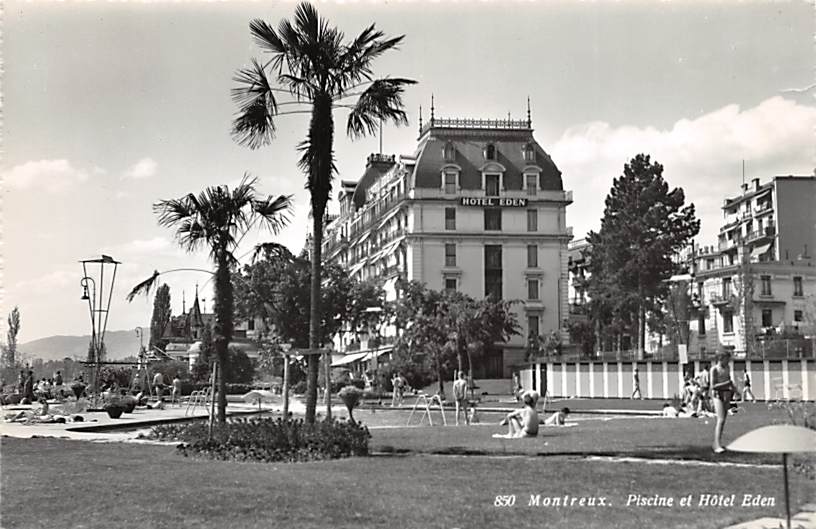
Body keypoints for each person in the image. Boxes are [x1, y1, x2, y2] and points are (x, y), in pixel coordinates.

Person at [710, 352, 734, 454]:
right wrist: (727, 384)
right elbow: (713, 385)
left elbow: (729, 380)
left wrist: (733, 390)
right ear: (721, 358)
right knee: (720, 419)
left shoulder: (727, 367)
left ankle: (718, 442)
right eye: (727, 359)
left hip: (726, 394)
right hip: (718, 395)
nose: (728, 361)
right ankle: (716, 444)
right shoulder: (714, 369)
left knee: (723, 420)